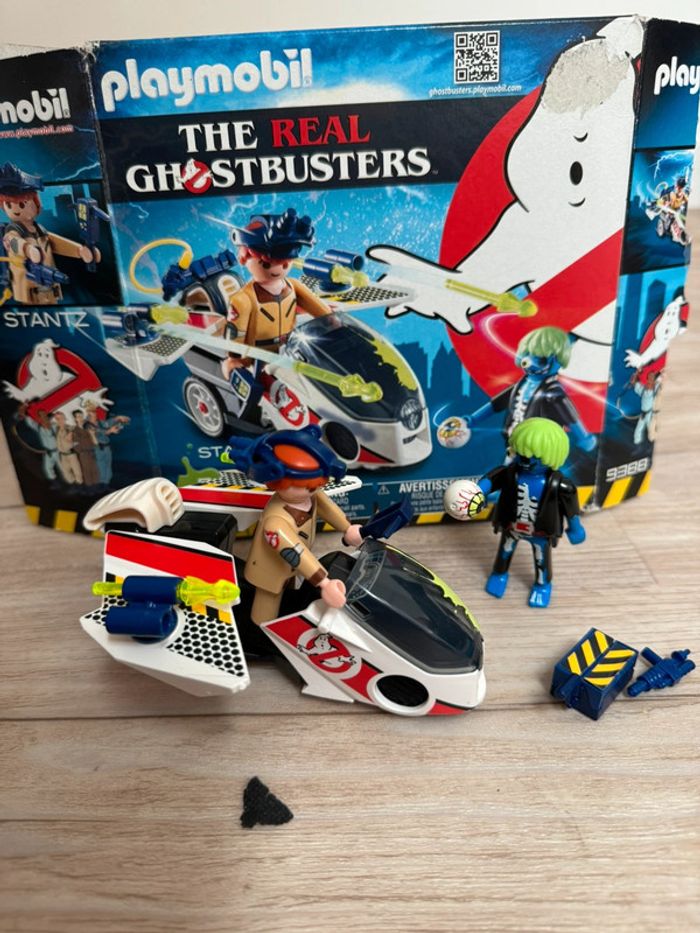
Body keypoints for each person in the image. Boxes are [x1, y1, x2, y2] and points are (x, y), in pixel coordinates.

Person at [228, 425, 363, 625]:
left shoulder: (310, 495)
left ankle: (281, 623)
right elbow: (295, 551)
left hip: (291, 568)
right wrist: (323, 582)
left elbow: (328, 508)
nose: (314, 489)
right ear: (274, 480)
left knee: (288, 599)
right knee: (266, 611)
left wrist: (347, 528)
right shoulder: (275, 523)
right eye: (306, 486)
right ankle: (260, 635)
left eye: (318, 484)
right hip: (270, 572)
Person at [452, 417, 586, 608]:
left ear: (550, 457)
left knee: (541, 559)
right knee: (504, 552)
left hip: (539, 531)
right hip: (511, 525)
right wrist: (474, 493)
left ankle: (542, 585)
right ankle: (499, 574)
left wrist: (576, 528)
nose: (523, 459)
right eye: (520, 452)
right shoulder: (510, 473)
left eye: (531, 456)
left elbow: (571, 510)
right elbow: (491, 480)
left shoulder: (560, 485)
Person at [220, 208, 330, 392]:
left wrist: (332, 322)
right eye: (266, 264)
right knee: (258, 394)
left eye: (285, 263)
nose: (278, 269)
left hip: (291, 351)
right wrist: (235, 359)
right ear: (244, 258)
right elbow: (235, 334)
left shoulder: (294, 286)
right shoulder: (244, 299)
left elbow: (323, 313)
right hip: (256, 358)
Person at [0, 162, 100, 305]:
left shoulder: (39, 230)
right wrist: (27, 249)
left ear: (36, 203)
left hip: (49, 287)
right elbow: (13, 242)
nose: (16, 209)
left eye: (22, 204)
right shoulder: (12, 232)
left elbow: (55, 242)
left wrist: (80, 251)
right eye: (9, 204)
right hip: (29, 291)